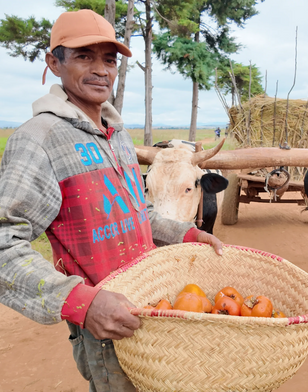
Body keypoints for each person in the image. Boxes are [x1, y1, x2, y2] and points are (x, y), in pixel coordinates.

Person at [0, 9, 223, 391]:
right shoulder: (39, 139)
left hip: (148, 306)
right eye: (84, 56)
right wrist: (80, 302)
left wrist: (185, 234)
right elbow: (4, 244)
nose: (101, 69)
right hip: (106, 325)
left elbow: (135, 210)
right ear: (55, 63)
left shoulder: (117, 135)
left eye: (109, 59)